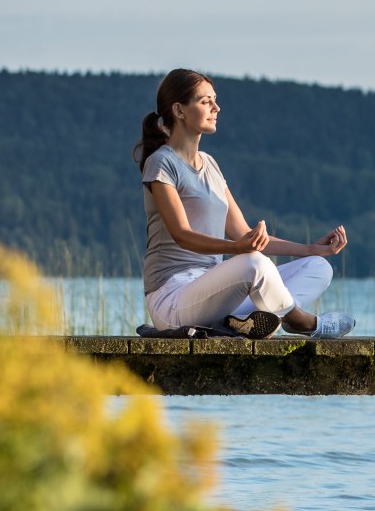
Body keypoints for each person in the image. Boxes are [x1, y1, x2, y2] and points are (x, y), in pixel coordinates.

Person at [134, 69, 355, 339]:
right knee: (253, 264)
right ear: (179, 110)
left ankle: (240, 321)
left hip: (215, 294)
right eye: (206, 102)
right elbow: (182, 234)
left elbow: (243, 234)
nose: (217, 107)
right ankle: (301, 321)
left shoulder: (210, 165)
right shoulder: (162, 162)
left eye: (215, 100)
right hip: (173, 298)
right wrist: (236, 249)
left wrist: (310, 248)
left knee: (317, 267)